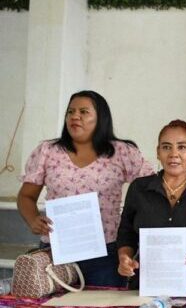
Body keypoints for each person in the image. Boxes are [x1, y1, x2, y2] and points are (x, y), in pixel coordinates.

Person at [17, 90, 153, 287]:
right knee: (53, 307)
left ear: (101, 118)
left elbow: (151, 190)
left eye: (83, 112)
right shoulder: (48, 151)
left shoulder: (122, 152)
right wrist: (33, 220)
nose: (75, 116)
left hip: (106, 253)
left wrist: (132, 229)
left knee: (102, 306)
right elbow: (26, 197)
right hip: (56, 252)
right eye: (70, 112)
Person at [116, 120, 186, 293]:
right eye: (166, 147)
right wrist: (124, 258)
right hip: (146, 284)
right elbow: (126, 234)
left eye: (182, 147)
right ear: (158, 152)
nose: (174, 154)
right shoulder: (138, 189)